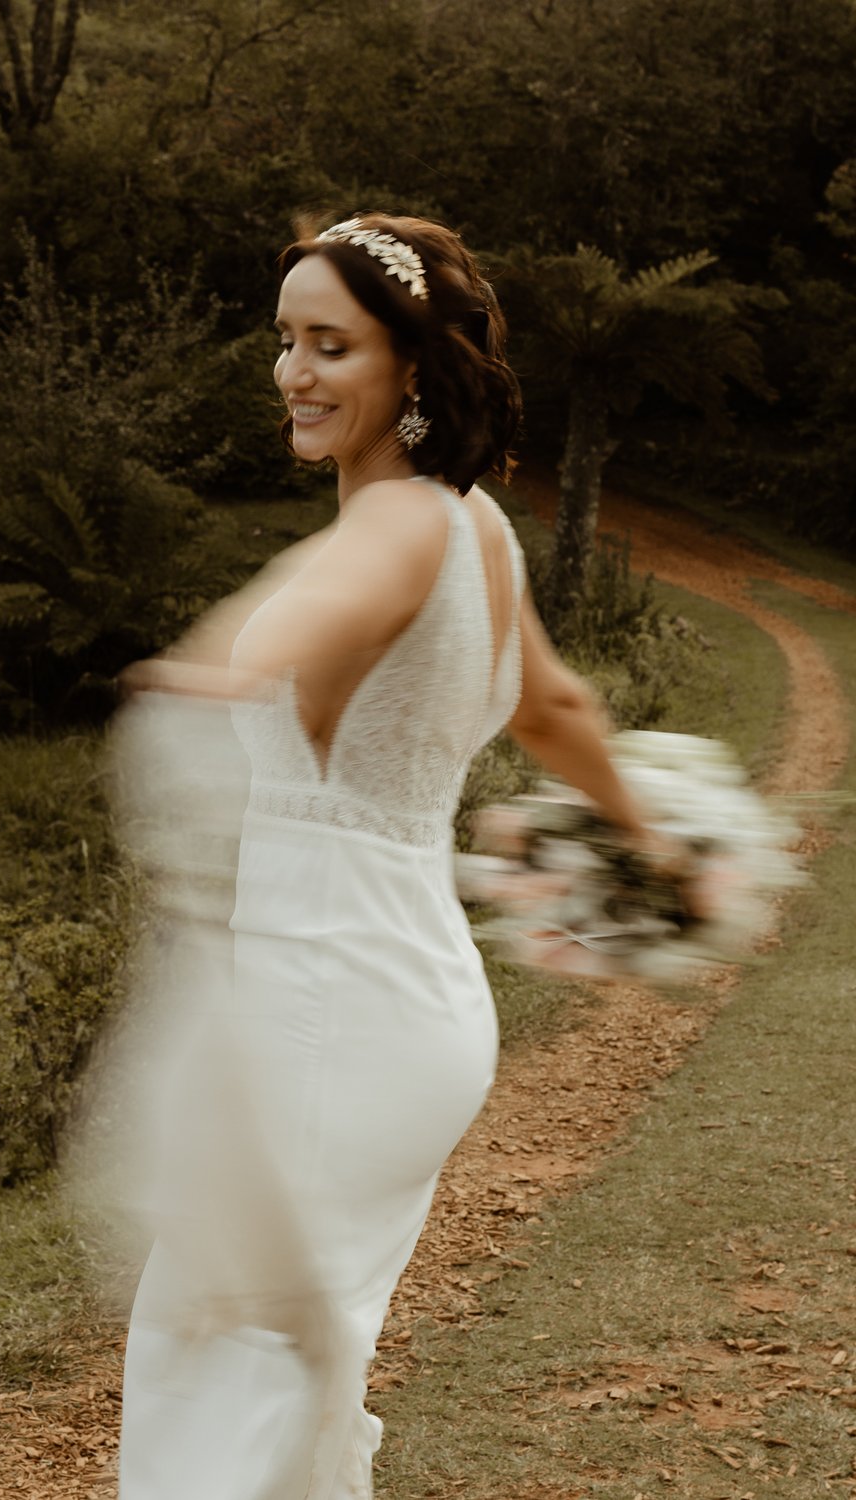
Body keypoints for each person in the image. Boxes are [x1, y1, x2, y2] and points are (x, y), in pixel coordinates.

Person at [112, 213, 655, 1500]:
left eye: (330, 345)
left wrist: (221, 664)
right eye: (284, 341)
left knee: (219, 1372)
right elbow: (556, 710)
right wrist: (655, 846)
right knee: (284, 1372)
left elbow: (308, 617)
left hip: (327, 1011)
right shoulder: (479, 531)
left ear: (412, 364)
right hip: (408, 1005)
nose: (294, 373)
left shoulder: (395, 530)